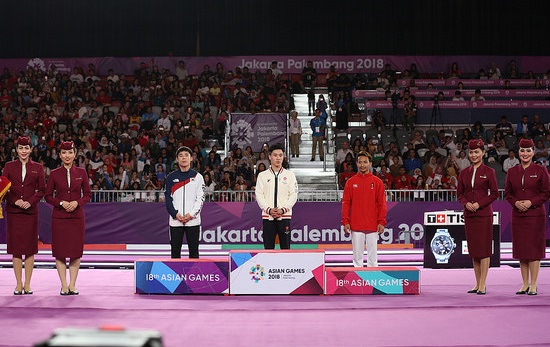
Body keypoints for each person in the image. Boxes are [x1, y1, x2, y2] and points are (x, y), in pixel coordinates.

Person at [45, 141, 92, 295]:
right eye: (64, 153)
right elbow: (47, 196)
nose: (67, 156)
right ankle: (63, 285)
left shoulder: (82, 173)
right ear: (60, 155)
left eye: (70, 153)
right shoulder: (54, 173)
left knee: (75, 251)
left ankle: (72, 284)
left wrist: (77, 203)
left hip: (77, 217)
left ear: (74, 154)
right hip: (59, 218)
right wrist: (61, 202)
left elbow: (87, 195)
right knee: (60, 252)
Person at [504, 138, 550, 296]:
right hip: (518, 215)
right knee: (522, 250)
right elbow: (508, 193)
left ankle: (534, 284)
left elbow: (546, 193)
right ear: (518, 152)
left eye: (528, 150)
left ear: (533, 152)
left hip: (536, 215)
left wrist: (531, 202)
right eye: (522, 150)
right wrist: (516, 203)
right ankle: (524, 284)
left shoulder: (541, 170)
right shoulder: (512, 171)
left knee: (534, 250)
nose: (525, 153)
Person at [1, 136, 46, 295]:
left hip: (30, 212)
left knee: (29, 248)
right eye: (21, 148)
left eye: (26, 148)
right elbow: (4, 189)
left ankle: (27, 284)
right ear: (16, 150)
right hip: (14, 213)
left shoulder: (38, 168)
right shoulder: (9, 166)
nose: (24, 151)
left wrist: (30, 201)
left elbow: (42, 190)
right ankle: (18, 284)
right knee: (16, 249)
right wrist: (15, 201)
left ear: (30, 149)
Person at [457, 139, 499, 295]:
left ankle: (483, 284)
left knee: (484, 250)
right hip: (469, 215)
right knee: (474, 250)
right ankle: (477, 283)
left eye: (477, 152)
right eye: (471, 152)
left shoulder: (489, 172)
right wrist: (466, 203)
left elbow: (494, 194)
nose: (474, 155)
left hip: (483, 215)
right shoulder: (463, 173)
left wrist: (479, 204)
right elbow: (460, 194)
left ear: (483, 153)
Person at [341, 151, 387, 267]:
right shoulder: (350, 182)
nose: (362, 165)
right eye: (360, 162)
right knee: (357, 259)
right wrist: (345, 221)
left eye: (365, 162)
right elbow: (346, 203)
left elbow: (382, 204)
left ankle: (373, 282)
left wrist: (381, 221)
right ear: (356, 163)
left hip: (373, 224)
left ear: (370, 163)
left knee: (373, 259)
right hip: (356, 225)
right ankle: (358, 281)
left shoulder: (378, 182)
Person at [164, 146, 205, 259]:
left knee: (194, 252)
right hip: (175, 221)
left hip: (193, 221)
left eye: (186, 155)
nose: (183, 158)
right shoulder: (170, 177)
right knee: (175, 253)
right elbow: (168, 198)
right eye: (181, 156)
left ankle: (193, 275)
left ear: (191, 158)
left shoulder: (198, 177)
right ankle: (175, 276)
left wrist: (191, 215)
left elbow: (200, 198)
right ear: (177, 159)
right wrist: (175, 214)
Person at [255, 143, 298, 249]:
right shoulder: (262, 175)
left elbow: (293, 195)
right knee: (268, 248)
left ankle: (286, 266)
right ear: (270, 157)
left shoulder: (290, 175)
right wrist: (268, 210)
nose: (278, 158)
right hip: (268, 216)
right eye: (275, 155)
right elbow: (259, 195)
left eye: (280, 155)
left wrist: (283, 210)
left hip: (284, 216)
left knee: (285, 248)